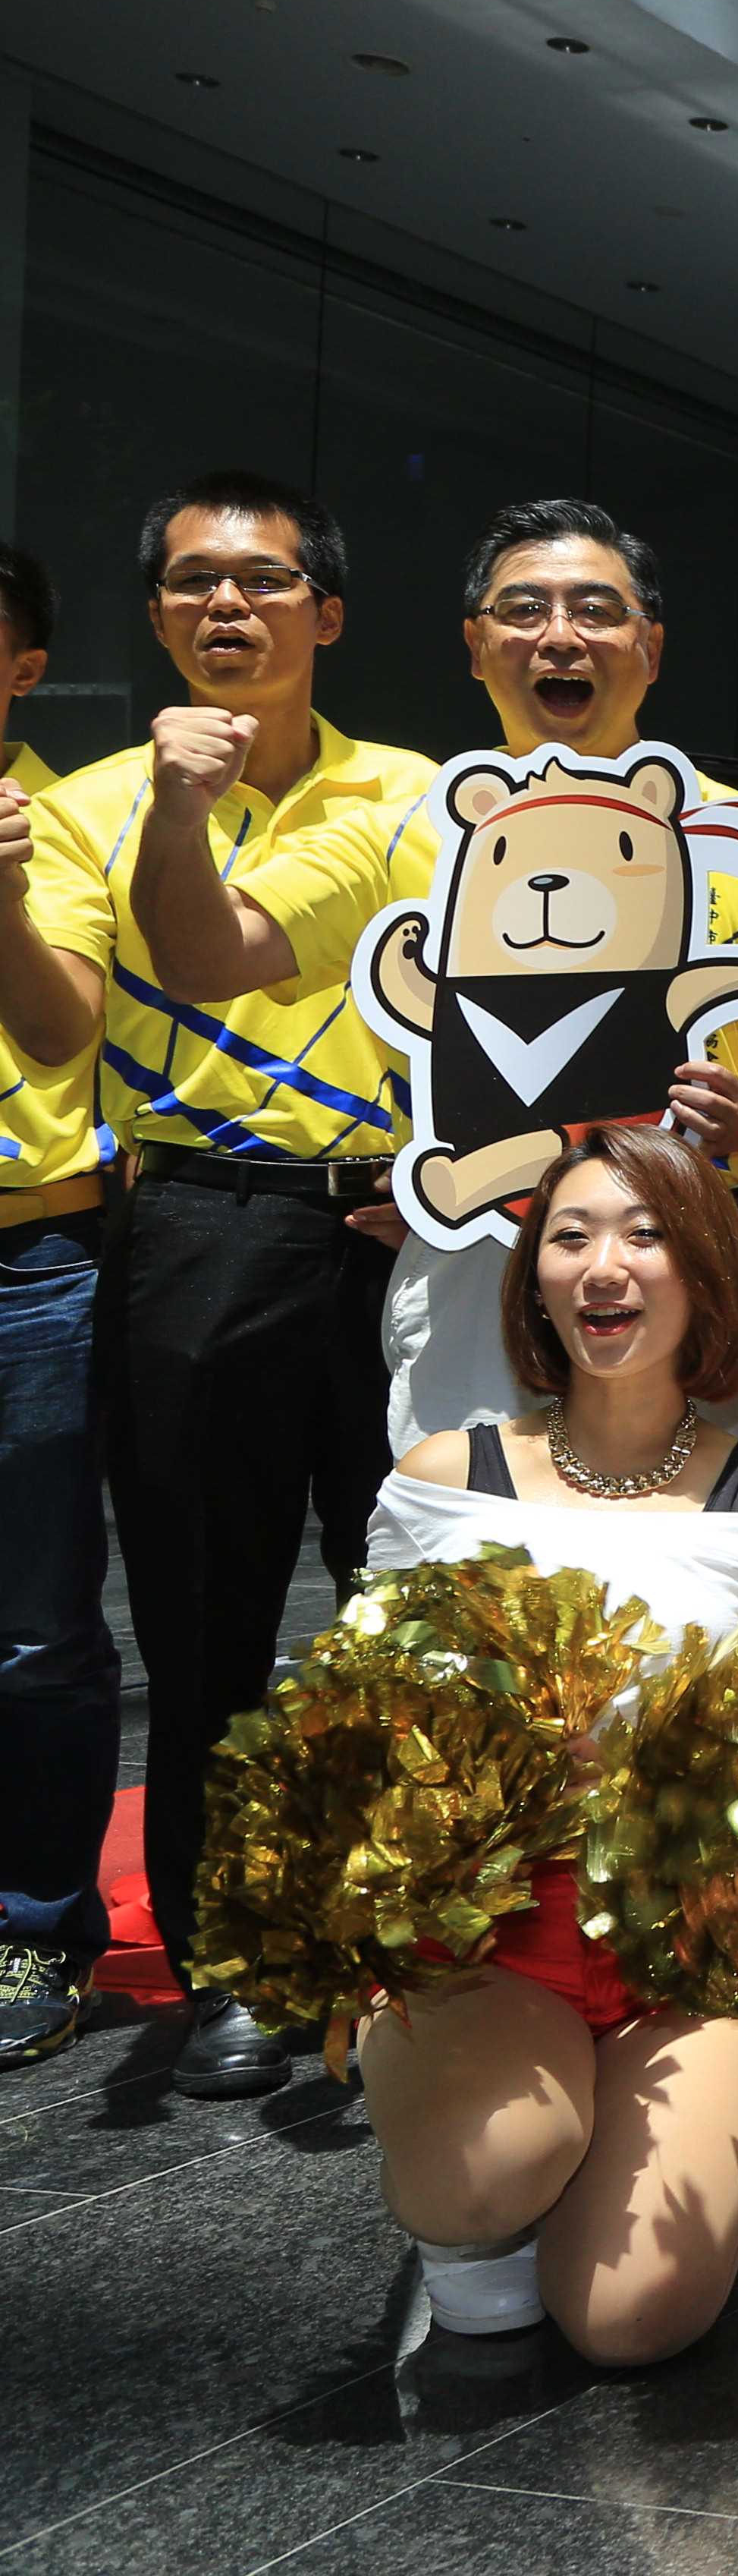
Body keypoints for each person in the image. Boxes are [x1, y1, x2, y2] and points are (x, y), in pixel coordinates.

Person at [126, 499, 738, 1448]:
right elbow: (202, 961)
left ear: (651, 647)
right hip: (479, 1250)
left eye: (596, 609)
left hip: (689, 1241)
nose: (560, 635)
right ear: (475, 646)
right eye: (524, 609)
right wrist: (177, 816)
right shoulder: (407, 826)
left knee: (699, 1522)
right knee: (467, 1521)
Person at [33, 472, 435, 2097]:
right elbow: (66, 1016)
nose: (228, 605)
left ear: (325, 614)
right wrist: (172, 809)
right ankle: (238, 1967)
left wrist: (452, 1168)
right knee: (208, 1626)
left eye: (264, 580)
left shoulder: (422, 796)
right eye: (194, 581)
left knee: (414, 1610)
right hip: (202, 1225)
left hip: (410, 1234)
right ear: (154, 616)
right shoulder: (88, 805)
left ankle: (419, 1944)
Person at [348, 1125, 738, 2357]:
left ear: (707, 1273)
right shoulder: (448, 1474)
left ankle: (621, 2140)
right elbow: (360, 1722)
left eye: (645, 1236)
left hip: (691, 1931)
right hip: (494, 1931)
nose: (604, 1267)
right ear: (535, 1278)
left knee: (634, 2324)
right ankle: (485, 2213)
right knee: (482, 2179)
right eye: (571, 1237)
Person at [0, 541, 118, 2062]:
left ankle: (34, 1922)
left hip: (26, 1262)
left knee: (31, 1628)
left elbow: (56, 1029)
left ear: (24, 669)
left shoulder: (66, 818)